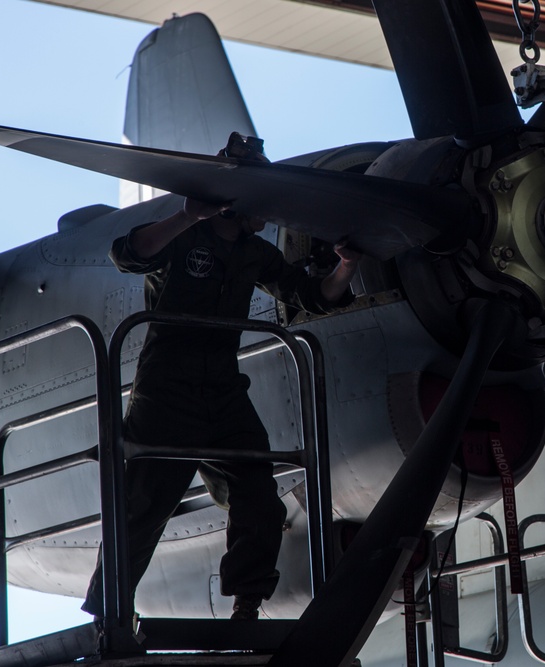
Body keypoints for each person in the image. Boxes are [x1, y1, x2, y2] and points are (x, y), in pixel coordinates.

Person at [83, 138, 360, 624]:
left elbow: (311, 295)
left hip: (224, 393)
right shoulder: (185, 238)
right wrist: (190, 214)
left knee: (257, 498)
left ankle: (247, 605)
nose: (268, 214)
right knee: (143, 506)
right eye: (261, 199)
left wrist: (348, 265)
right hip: (167, 391)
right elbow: (128, 253)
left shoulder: (255, 254)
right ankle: (111, 612)